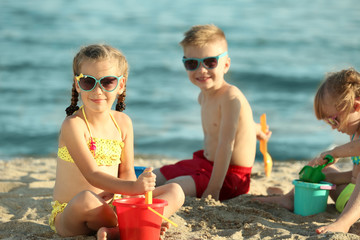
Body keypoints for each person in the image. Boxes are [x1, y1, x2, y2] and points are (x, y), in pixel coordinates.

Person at [49, 44, 184, 240]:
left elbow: (127, 172)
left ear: (120, 86)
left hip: (116, 202)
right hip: (73, 213)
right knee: (87, 199)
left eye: (108, 82)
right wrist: (133, 188)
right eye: (88, 81)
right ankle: (136, 225)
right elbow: (92, 175)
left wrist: (129, 195)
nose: (97, 90)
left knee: (175, 190)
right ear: (77, 84)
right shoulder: (74, 125)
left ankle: (123, 227)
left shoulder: (123, 123)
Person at [153, 24, 271, 202]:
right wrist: (258, 131)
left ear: (226, 64)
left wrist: (213, 189)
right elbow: (242, 124)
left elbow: (226, 145)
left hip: (229, 177)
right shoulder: (203, 96)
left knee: (175, 186)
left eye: (210, 62)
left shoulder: (230, 98)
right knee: (156, 175)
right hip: (205, 164)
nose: (201, 70)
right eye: (192, 63)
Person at [254, 68, 360, 234]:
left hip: (354, 210)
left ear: (355, 106)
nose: (333, 127)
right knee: (321, 168)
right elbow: (355, 175)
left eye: (335, 120)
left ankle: (344, 223)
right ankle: (290, 198)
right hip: (350, 199)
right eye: (328, 122)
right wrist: (328, 174)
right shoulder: (353, 132)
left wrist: (337, 152)